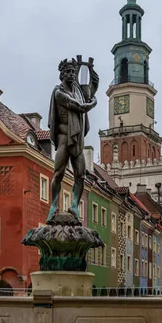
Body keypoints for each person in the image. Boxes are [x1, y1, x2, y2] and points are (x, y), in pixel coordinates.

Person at [46, 58, 98, 222]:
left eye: (73, 72)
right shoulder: (58, 92)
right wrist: (93, 103)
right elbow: (80, 106)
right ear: (62, 74)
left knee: (80, 175)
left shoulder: (78, 90)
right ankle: (53, 205)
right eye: (68, 72)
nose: (71, 75)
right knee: (58, 173)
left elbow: (93, 87)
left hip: (76, 140)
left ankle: (74, 205)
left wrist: (90, 69)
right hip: (63, 137)